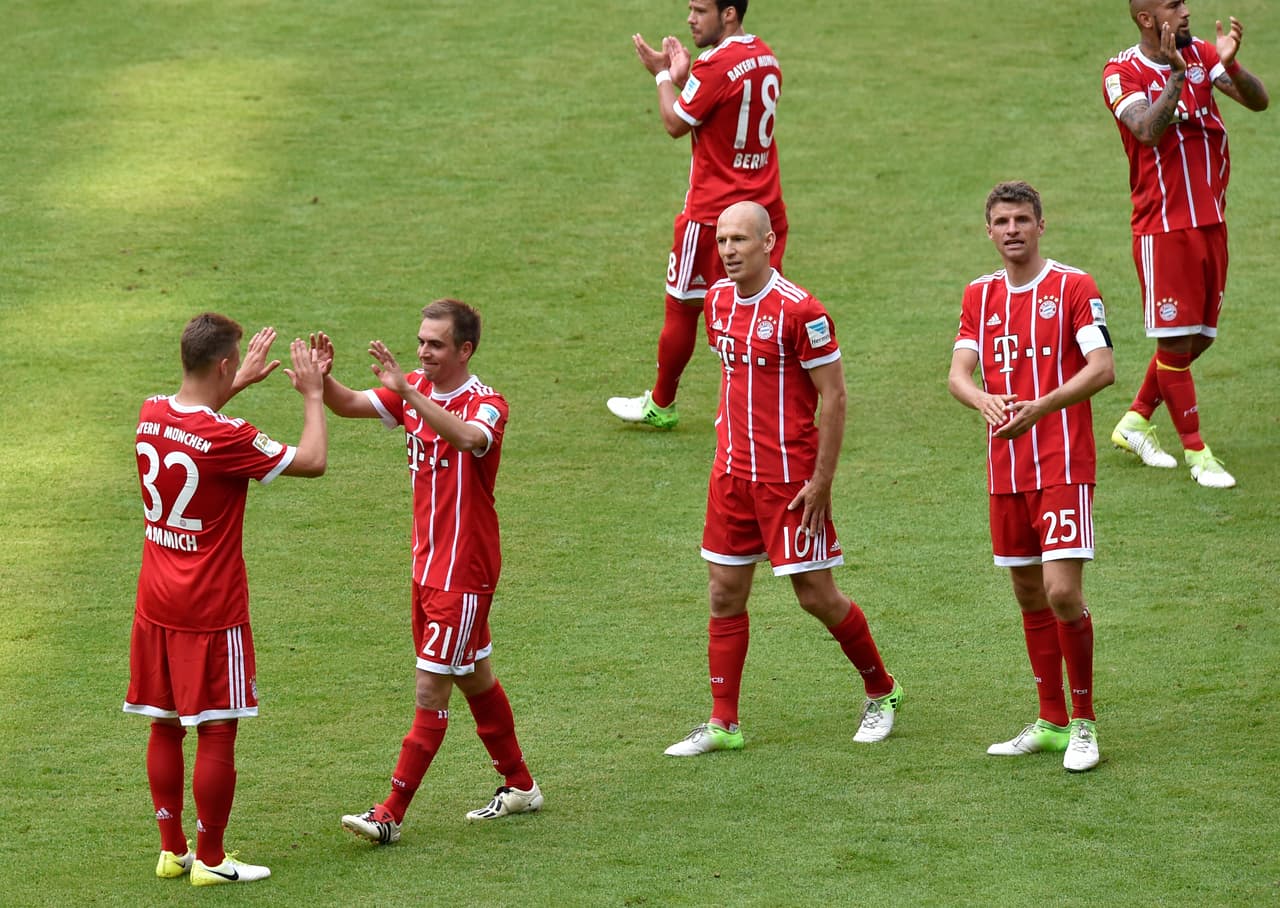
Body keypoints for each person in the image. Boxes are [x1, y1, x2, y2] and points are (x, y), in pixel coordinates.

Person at [664, 201, 901, 757]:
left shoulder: (802, 312)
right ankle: (724, 723)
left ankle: (882, 691)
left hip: (789, 481)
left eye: (740, 240)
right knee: (723, 593)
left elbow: (835, 395)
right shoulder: (717, 302)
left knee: (816, 595)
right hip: (730, 476)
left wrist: (822, 482)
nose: (727, 250)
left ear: (768, 242)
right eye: (722, 240)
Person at [313, 299, 542, 845]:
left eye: (435, 344)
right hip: (426, 567)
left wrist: (411, 392)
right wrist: (320, 383)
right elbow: (349, 405)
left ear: (464, 350)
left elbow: (468, 438)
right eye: (421, 341)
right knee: (474, 675)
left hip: (464, 572)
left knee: (430, 688)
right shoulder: (414, 387)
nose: (423, 351)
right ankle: (521, 785)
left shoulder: (487, 404)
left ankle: (389, 812)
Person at [124, 315, 328, 885]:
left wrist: (235, 384)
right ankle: (211, 861)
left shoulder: (148, 412)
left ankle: (172, 850)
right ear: (222, 365)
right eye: (234, 363)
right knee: (217, 728)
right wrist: (312, 395)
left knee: (164, 724)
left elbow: (194, 420)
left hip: (155, 601)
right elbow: (311, 461)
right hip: (211, 610)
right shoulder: (228, 437)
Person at [948, 182, 1116, 773]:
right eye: (1001, 221)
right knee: (1026, 591)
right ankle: (1050, 720)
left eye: (1022, 219)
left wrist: (1039, 408)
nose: (1012, 229)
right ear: (988, 231)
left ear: (1042, 225)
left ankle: (1085, 723)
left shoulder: (1074, 287)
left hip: (1064, 464)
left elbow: (1103, 368)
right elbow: (958, 374)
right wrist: (983, 400)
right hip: (1006, 469)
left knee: (1062, 592)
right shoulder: (979, 295)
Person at [1103, 2, 1268, 488]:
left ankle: (1135, 421)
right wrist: (1175, 79)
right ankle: (1198, 454)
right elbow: (1146, 131)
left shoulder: (1199, 52)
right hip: (1164, 226)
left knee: (1197, 339)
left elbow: (1257, 102)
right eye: (1174, 3)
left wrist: (1231, 63)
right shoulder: (1121, 72)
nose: (1187, 8)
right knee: (1175, 341)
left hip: (1212, 219)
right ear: (1148, 19)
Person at [608, 0, 787, 430]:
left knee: (684, 308)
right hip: (764, 214)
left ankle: (661, 404)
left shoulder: (716, 65)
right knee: (761, 310)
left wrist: (663, 75)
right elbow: (719, 106)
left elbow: (675, 122)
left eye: (700, 9)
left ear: (728, 13)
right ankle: (766, 409)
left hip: (712, 217)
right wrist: (687, 77)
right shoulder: (765, 56)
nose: (690, 18)